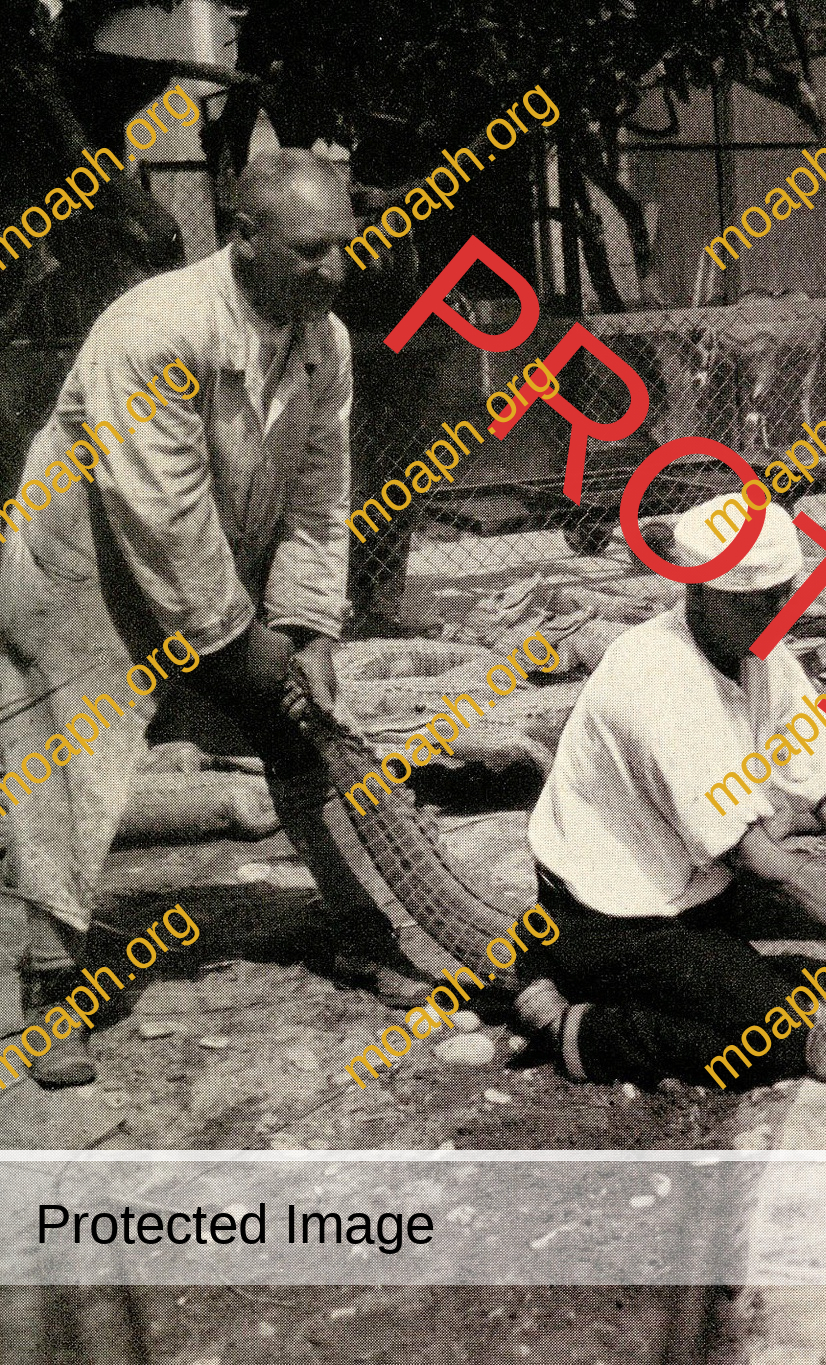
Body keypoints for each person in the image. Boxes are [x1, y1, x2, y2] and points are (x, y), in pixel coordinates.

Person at [0, 149, 432, 1089]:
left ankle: (358, 925)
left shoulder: (325, 340)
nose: (334, 269)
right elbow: (162, 513)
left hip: (199, 553)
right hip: (86, 569)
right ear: (245, 239)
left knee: (304, 724)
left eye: (343, 246)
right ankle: (50, 981)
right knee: (69, 767)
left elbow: (320, 496)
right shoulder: (153, 327)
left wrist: (310, 628)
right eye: (310, 250)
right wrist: (244, 643)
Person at [509, 494, 826, 1112]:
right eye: (752, 603)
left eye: (780, 598)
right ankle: (582, 1030)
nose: (773, 619)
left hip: (695, 878)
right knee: (773, 1042)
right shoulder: (658, 683)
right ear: (699, 592)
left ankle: (628, 975)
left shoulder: (761, 654)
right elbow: (765, 863)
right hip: (611, 910)